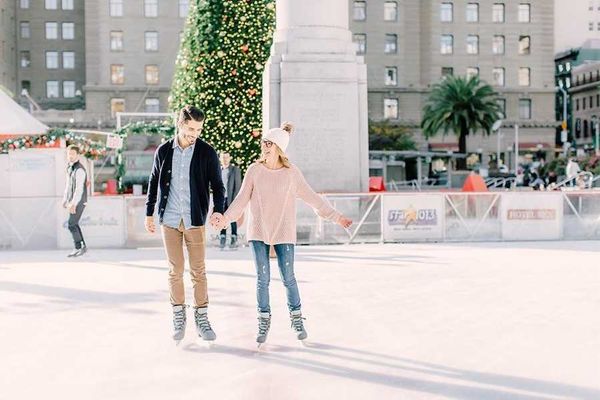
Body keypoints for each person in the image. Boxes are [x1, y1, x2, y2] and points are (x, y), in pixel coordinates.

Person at [211, 122, 353, 345]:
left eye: (268, 143)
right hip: (258, 231)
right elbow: (240, 200)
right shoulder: (254, 170)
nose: (264, 147)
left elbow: (313, 198)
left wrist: (337, 217)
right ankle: (264, 320)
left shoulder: (291, 173)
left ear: (278, 147)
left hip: (284, 232)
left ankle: (297, 320)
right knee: (262, 279)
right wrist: (224, 218)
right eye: (263, 143)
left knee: (289, 278)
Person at [145, 105, 226, 344]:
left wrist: (218, 211)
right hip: (169, 220)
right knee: (175, 270)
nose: (194, 134)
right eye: (191, 128)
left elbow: (218, 186)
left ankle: (201, 318)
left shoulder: (206, 152)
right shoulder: (163, 151)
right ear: (180, 124)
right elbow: (153, 181)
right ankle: (178, 316)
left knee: (198, 271)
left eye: (198, 129)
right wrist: (149, 213)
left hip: (194, 221)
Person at [62, 145, 88, 258]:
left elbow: (79, 189)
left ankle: (79, 247)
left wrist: (73, 203)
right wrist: (65, 199)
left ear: (77, 155)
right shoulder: (70, 168)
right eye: (69, 154)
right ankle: (81, 247)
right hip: (72, 201)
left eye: (72, 154)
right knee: (73, 224)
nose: (70, 156)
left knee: (71, 224)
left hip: (79, 201)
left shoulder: (79, 170)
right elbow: (68, 186)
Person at [219, 152, 242, 249]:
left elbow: (238, 186)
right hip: (221, 198)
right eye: (223, 157)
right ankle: (222, 237)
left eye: (227, 157)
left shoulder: (235, 170)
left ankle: (233, 237)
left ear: (230, 158)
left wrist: (235, 200)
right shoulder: (218, 170)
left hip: (231, 198)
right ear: (220, 159)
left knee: (232, 218)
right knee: (221, 218)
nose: (225, 159)